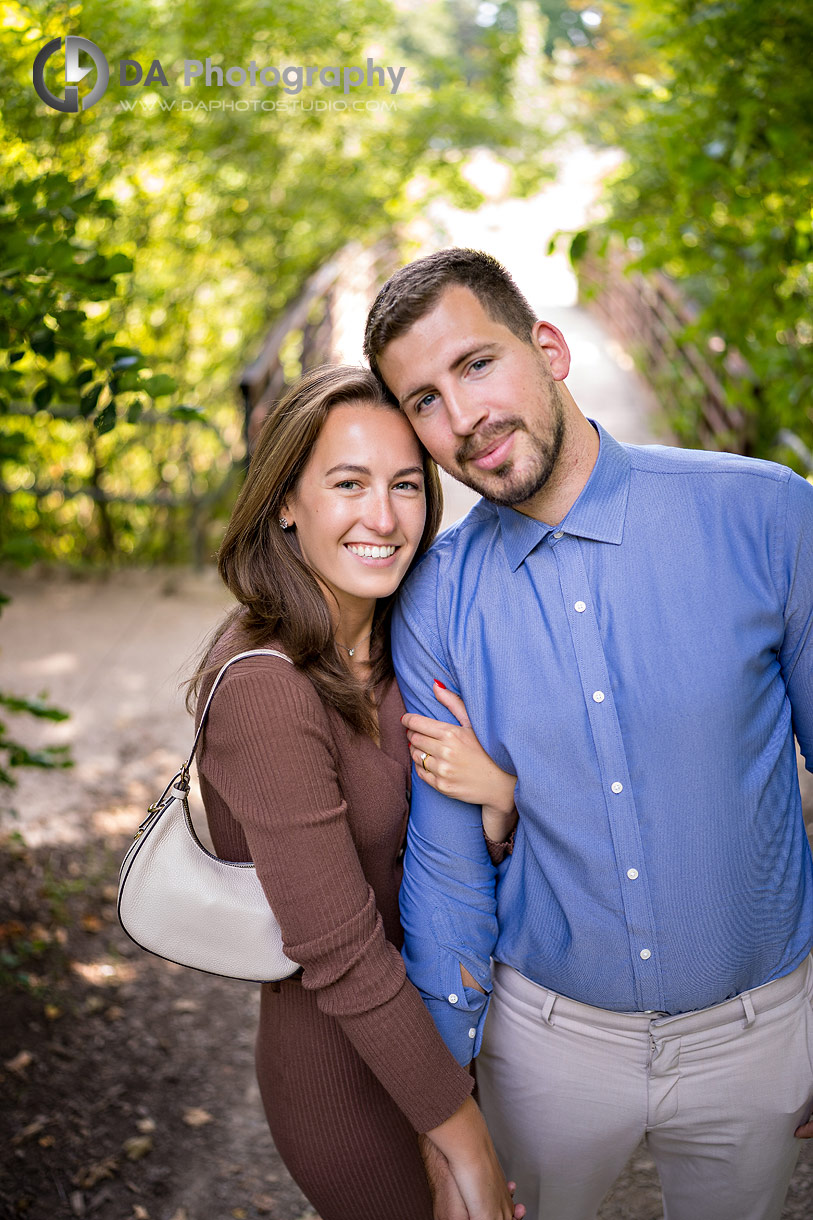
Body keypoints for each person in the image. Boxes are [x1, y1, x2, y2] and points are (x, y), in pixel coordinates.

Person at [362, 247, 813, 1220]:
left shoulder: (766, 512)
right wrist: (452, 1123)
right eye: (425, 400)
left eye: (477, 364)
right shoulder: (432, 596)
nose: (463, 416)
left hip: (763, 1029)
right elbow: (446, 875)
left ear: (550, 348)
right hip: (547, 1043)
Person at [186, 365, 524, 1220]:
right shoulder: (268, 688)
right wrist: (466, 1142)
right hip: (347, 1073)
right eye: (348, 484)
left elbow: (435, 849)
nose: (383, 517)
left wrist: (498, 808)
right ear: (286, 502)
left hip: (450, 1027)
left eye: (405, 486)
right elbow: (340, 950)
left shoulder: (410, 633)